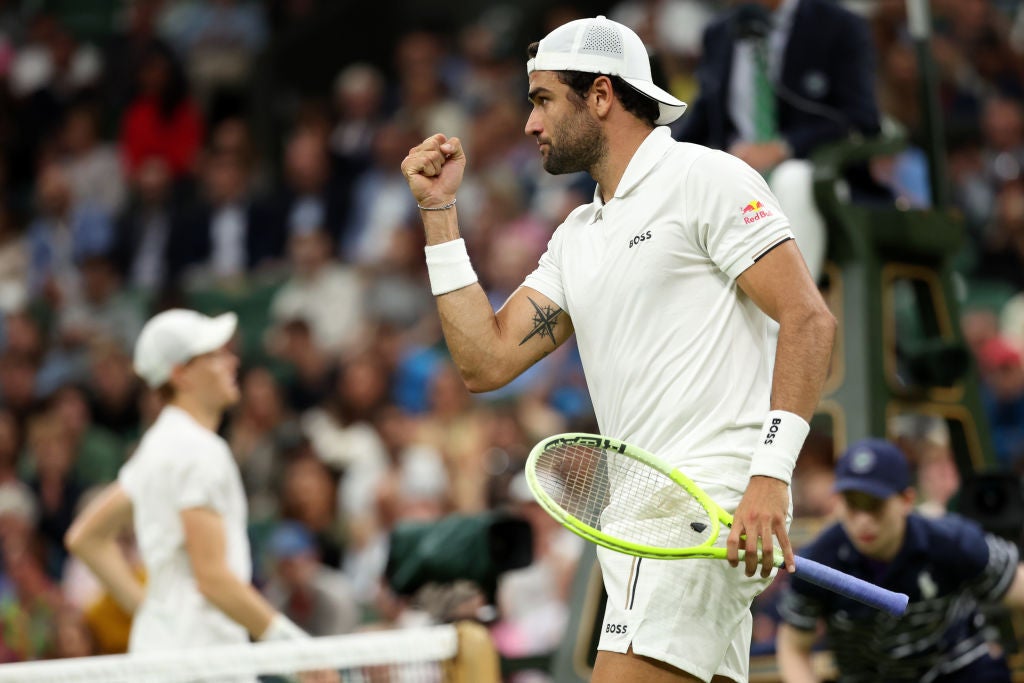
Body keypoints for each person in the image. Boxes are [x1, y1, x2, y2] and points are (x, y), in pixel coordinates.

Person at [400, 15, 836, 683]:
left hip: (704, 508)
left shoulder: (706, 178)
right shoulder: (577, 234)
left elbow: (809, 319)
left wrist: (771, 475)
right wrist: (438, 215)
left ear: (600, 95)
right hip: (641, 525)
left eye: (543, 99)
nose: (529, 124)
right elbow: (484, 361)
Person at [64, 309, 336, 683]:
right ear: (181, 374)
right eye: (214, 355)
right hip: (202, 663)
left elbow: (85, 538)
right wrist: (296, 650)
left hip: (163, 654)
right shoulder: (199, 451)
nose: (232, 361)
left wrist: (153, 611)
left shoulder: (157, 445)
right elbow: (212, 577)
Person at [776, 438, 1024, 683]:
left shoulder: (954, 542)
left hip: (958, 671)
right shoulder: (818, 562)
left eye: (875, 505)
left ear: (906, 500)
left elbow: (1018, 587)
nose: (863, 520)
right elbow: (793, 648)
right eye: (852, 504)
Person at [673, 0, 884, 284]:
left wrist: (783, 148)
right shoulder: (720, 31)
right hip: (737, 175)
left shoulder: (839, 25)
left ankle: (789, 317)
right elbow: (702, 120)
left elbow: (862, 118)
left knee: (793, 179)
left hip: (818, 175)